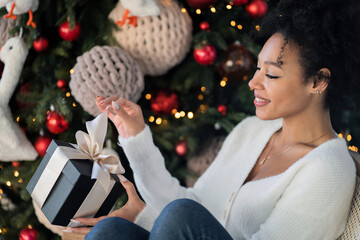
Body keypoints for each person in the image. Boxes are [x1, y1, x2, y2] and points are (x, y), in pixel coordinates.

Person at [68, 0, 360, 239]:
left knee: (180, 214)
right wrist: (136, 137)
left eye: (271, 74)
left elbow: (185, 220)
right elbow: (194, 206)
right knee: (109, 231)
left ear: (318, 81)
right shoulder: (251, 131)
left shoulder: (328, 169)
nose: (253, 82)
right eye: (257, 68)